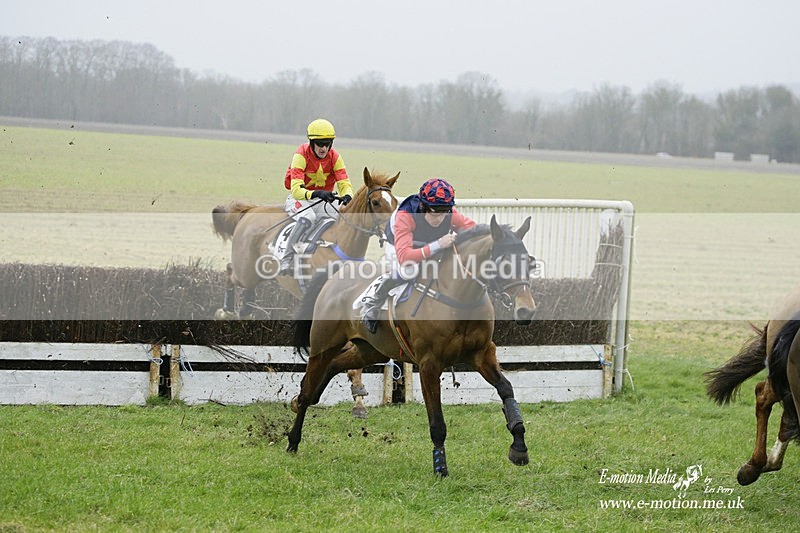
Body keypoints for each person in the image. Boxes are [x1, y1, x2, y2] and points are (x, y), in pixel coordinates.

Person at [361, 177, 477, 333]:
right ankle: (372, 302)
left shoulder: (446, 211)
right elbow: (405, 257)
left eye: (444, 213)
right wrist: (438, 245)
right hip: (398, 245)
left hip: (426, 242)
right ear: (423, 206)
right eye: (435, 213)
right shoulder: (406, 216)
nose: (440, 218)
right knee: (410, 270)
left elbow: (474, 230)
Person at [279, 118, 354, 275]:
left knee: (345, 216)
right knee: (308, 217)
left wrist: (347, 195)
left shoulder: (335, 157)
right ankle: (286, 259)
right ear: (311, 142)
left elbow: (344, 181)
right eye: (320, 144)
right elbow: (296, 190)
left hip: (322, 199)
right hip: (300, 198)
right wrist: (316, 193)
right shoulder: (300, 155)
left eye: (327, 143)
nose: (324, 148)